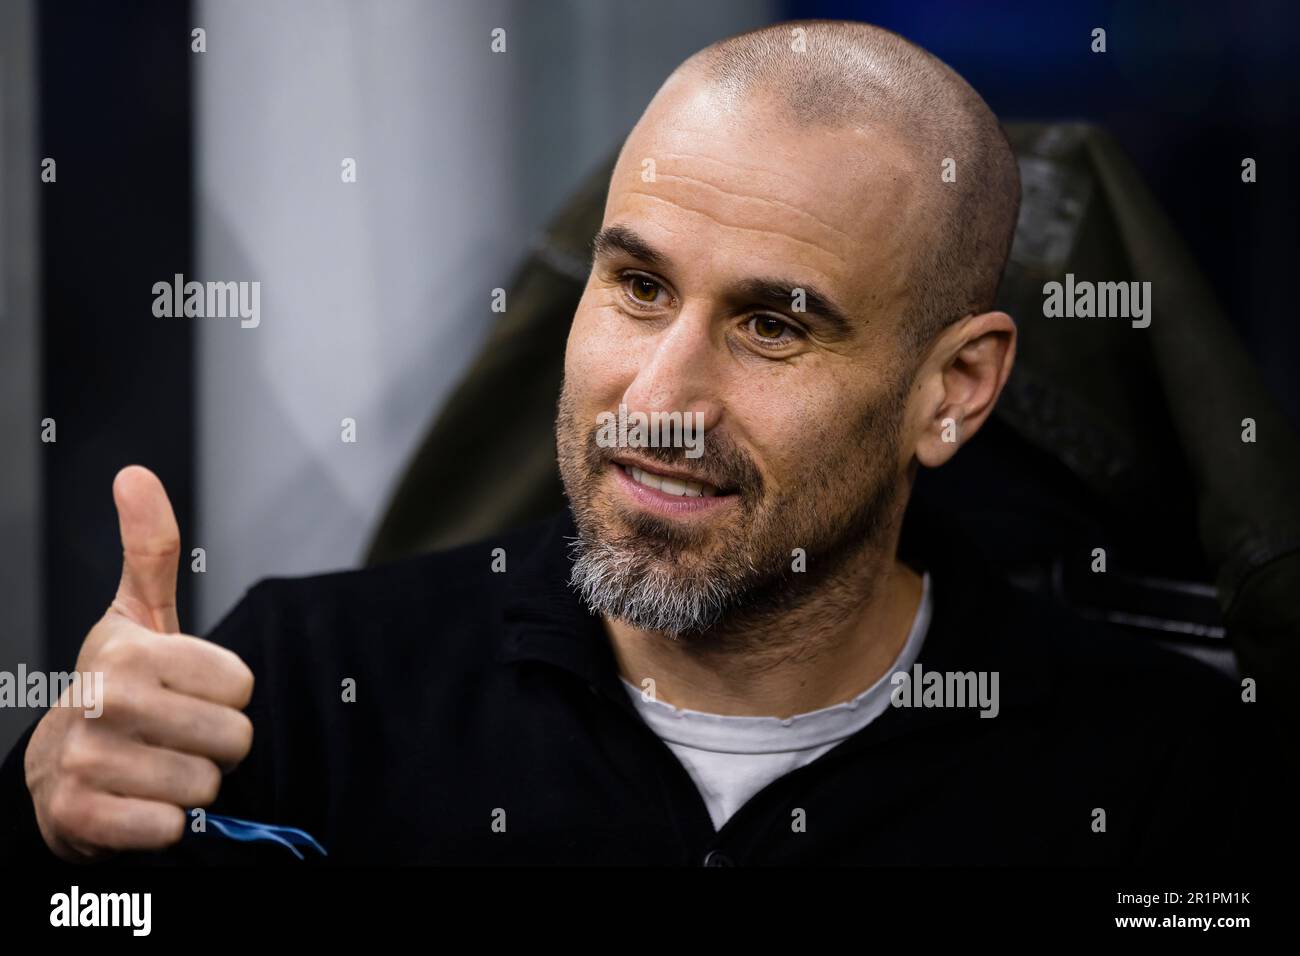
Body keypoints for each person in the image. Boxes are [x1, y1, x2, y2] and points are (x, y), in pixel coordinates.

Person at [0, 20, 1269, 865]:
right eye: (638, 287)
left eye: (774, 324)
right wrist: (52, 835)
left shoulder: (1162, 777)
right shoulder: (303, 690)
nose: (657, 395)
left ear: (955, 387)